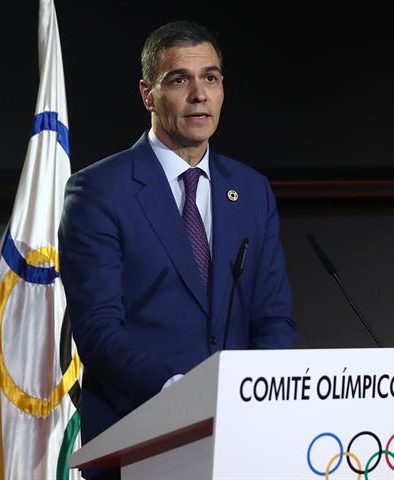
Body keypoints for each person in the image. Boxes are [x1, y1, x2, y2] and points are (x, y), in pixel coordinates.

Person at [59, 20, 297, 479]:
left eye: (210, 77)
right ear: (148, 94)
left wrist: (257, 395)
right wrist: (180, 395)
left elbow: (273, 318)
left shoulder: (250, 190)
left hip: (240, 445)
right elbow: (97, 330)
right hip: (138, 444)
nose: (198, 94)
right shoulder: (98, 191)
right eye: (179, 79)